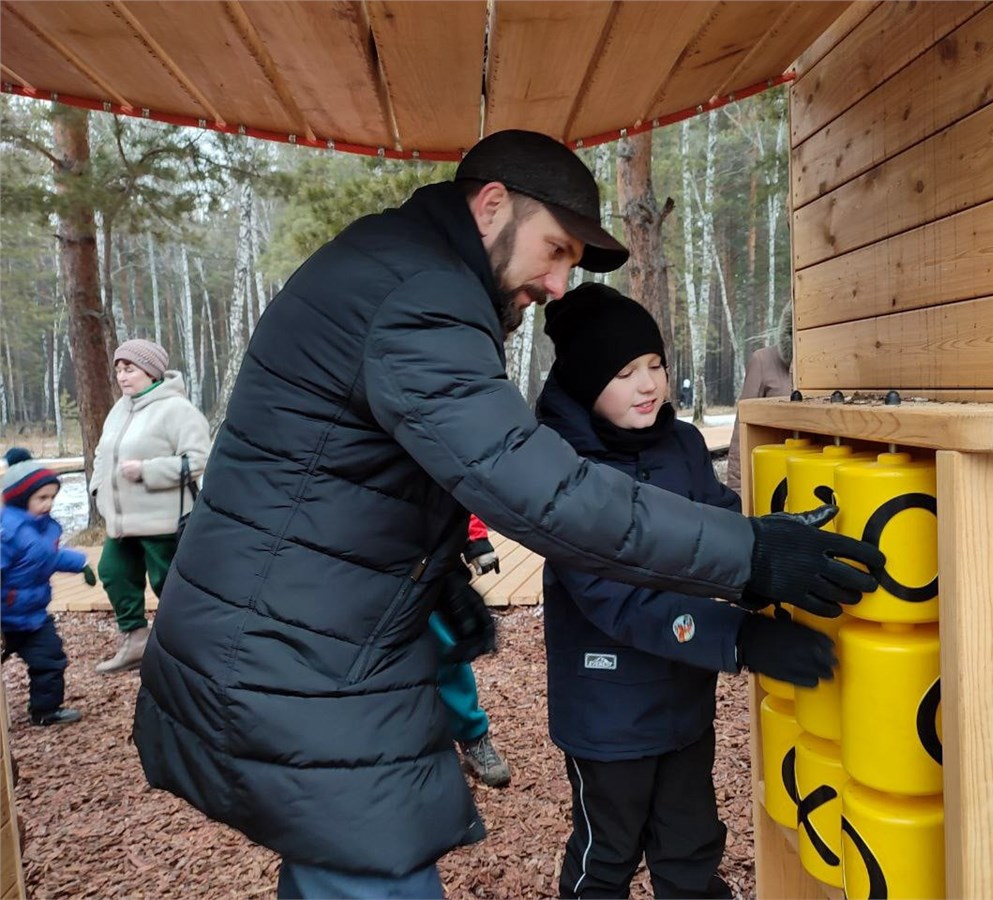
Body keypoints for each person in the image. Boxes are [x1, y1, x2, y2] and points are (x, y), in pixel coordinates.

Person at [132, 128, 883, 898]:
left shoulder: (399, 268)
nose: (560, 283)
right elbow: (544, 494)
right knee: (373, 868)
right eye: (555, 250)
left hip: (294, 636)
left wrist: (430, 575)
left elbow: (357, 466)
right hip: (288, 654)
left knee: (347, 864)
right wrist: (748, 553)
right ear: (492, 207)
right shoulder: (420, 295)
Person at [537, 283, 837, 898]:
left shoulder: (682, 445)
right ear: (586, 382)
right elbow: (615, 599)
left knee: (691, 848)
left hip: (683, 703)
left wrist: (772, 570)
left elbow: (722, 531)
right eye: (624, 373)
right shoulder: (561, 473)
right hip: (608, 713)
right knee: (606, 857)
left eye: (655, 365)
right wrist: (743, 640)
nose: (648, 385)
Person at [90, 339, 211, 674]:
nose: (122, 377)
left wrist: (147, 471)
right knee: (114, 573)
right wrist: (97, 489)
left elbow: (199, 460)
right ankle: (136, 642)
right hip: (122, 521)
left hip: (162, 520)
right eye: (118, 370)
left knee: (168, 585)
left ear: (152, 371)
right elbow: (102, 454)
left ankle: (191, 650)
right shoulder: (120, 409)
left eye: (129, 369)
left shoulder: (177, 409)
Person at [1, 461, 96, 725]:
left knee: (50, 659)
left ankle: (45, 711)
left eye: (52, 497)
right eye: (41, 497)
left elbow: (48, 556)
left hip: (33, 617)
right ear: (20, 497)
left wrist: (80, 563)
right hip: (4, 619)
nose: (48, 503)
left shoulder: (44, 527)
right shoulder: (7, 532)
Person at [434, 515, 510, 788]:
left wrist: (475, 540)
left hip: (424, 555)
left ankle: (472, 735)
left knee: (448, 649)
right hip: (358, 562)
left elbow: (454, 481)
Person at [726, 306, 794, 496]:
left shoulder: (829, 369)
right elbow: (742, 431)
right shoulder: (763, 360)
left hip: (812, 478)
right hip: (771, 480)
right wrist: (737, 491)